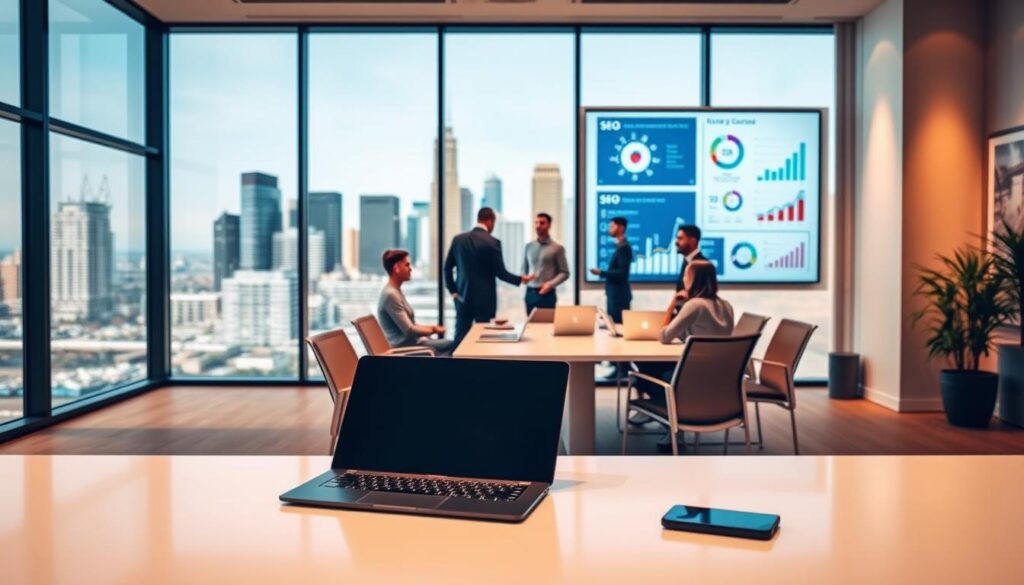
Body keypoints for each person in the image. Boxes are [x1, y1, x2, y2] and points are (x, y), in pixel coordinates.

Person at [637, 260, 734, 415]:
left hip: (691, 375)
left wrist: (672, 303)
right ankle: (670, 414)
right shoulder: (726, 305)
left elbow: (664, 336)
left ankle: (667, 415)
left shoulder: (695, 305)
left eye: (686, 274)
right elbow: (686, 335)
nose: (683, 278)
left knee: (644, 368)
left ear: (695, 279)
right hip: (718, 375)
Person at [444, 207, 533, 345]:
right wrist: (521, 279)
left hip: (462, 297)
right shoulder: (493, 242)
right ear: (491, 221)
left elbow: (447, 268)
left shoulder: (458, 240)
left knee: (460, 338)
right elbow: (501, 273)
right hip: (485, 300)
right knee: (484, 338)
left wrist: (453, 291)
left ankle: (457, 365)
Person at [377, 249, 454, 355]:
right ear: (396, 268)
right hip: (405, 348)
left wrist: (430, 329)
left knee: (450, 344)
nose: (410, 269)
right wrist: (434, 329)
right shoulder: (391, 295)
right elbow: (409, 330)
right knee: (453, 345)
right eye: (407, 265)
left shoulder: (395, 291)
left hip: (413, 343)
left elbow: (411, 324)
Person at [522, 212, 570, 315]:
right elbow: (523, 269)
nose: (538, 226)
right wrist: (524, 277)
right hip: (530, 293)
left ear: (549, 225)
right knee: (530, 327)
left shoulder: (557, 248)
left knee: (547, 327)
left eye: (542, 223)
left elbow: (565, 272)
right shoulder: (528, 246)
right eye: (536, 223)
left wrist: (551, 284)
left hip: (547, 295)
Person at [589, 216, 632, 323]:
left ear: (621, 228)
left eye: (612, 226)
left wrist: (601, 272)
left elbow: (622, 273)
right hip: (615, 294)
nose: (609, 229)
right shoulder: (619, 246)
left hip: (619, 296)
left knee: (617, 325)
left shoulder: (624, 248)